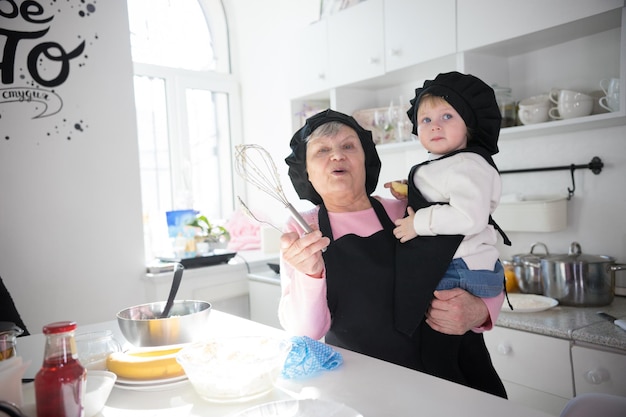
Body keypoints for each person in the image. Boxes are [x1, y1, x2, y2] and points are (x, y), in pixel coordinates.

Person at [279, 108, 507, 398]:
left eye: (348, 146)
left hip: (450, 374)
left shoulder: (408, 209)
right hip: (367, 386)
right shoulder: (303, 229)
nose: (337, 156)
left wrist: (481, 310)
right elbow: (306, 331)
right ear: (306, 171)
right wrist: (310, 273)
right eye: (322, 150)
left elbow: (482, 255)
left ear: (366, 160)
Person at [390, 71, 512, 386]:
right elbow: (445, 194)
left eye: (447, 115)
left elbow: (468, 217)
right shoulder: (453, 164)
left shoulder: (468, 164)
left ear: (469, 124)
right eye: (426, 119)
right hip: (462, 268)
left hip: (456, 271)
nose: (435, 125)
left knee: (439, 359)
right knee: (460, 358)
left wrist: (419, 222)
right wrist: (408, 192)